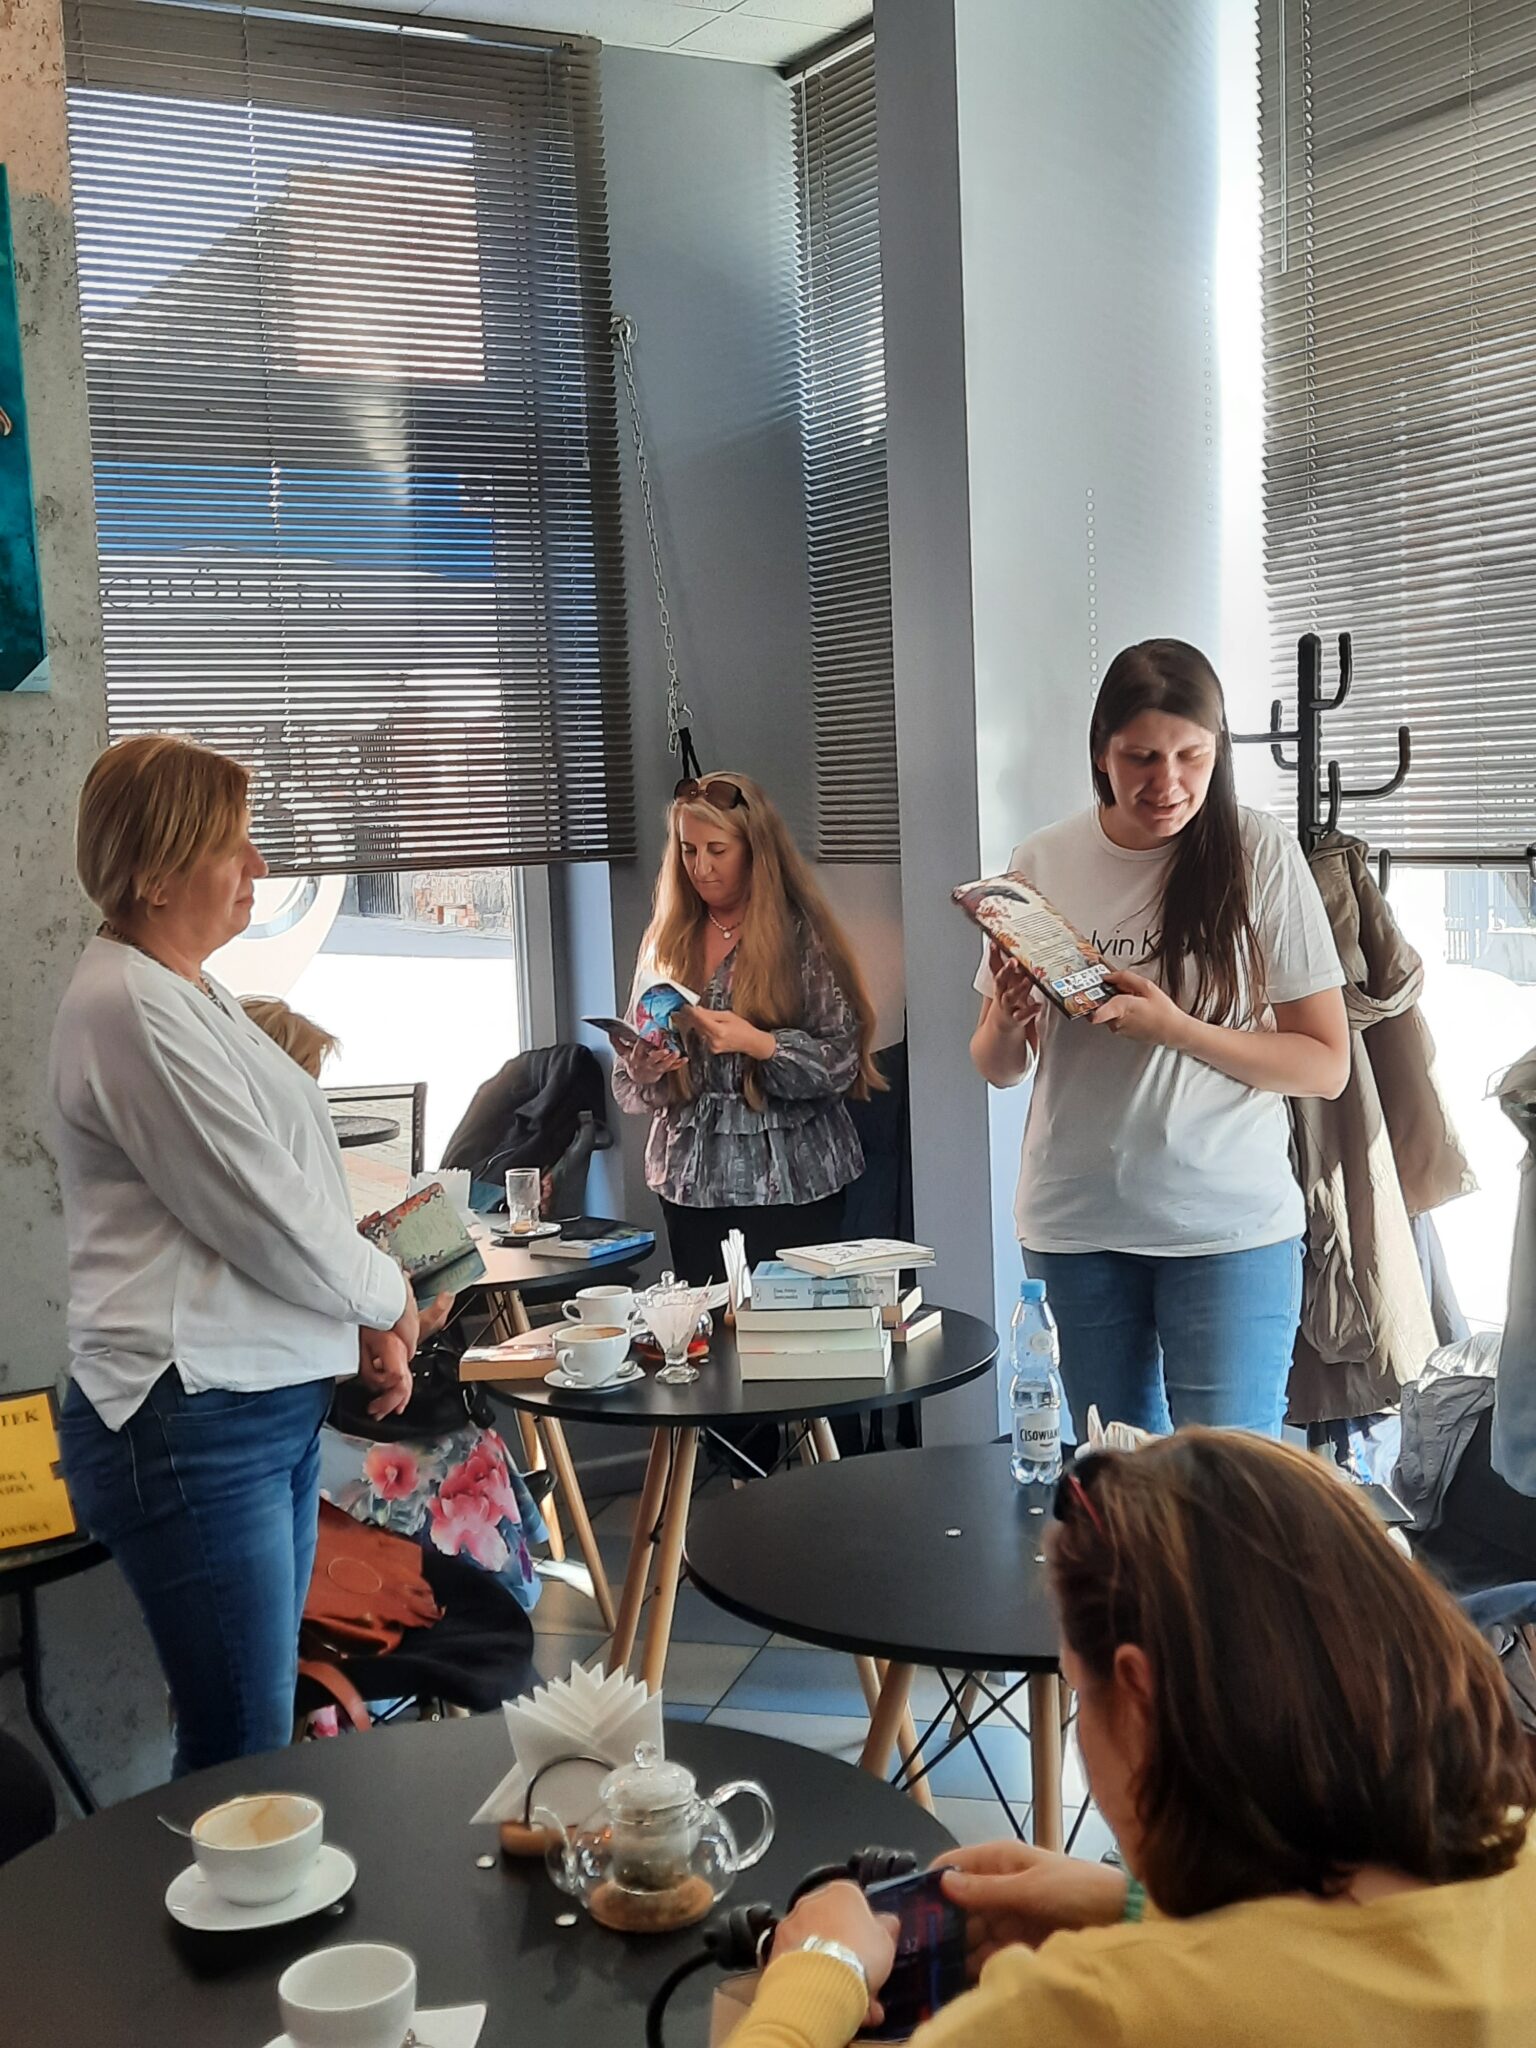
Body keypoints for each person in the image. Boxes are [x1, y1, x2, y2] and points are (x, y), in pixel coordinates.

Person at [734, 1430, 1536, 2048]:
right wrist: (1136, 1910)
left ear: (1139, 1697)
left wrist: (817, 1977)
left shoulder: (1093, 2012)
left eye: (1080, 1695)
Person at [49, 735, 447, 1775]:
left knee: (255, 1738)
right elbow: (264, 1213)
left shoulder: (184, 989)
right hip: (192, 1420)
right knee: (242, 1752)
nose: (258, 866)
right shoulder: (131, 1006)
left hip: (255, 1409)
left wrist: (357, 1318)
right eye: (231, 845)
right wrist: (387, 1294)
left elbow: (289, 1190)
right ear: (156, 873)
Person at [970, 639, 1349, 1435]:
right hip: (1076, 1227)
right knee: (1117, 1481)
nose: (1167, 783)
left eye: (1191, 756)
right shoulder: (1042, 859)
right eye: (1141, 757)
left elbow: (1324, 1064)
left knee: (1227, 1484)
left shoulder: (1259, 853)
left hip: (1229, 1231)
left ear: (1219, 751)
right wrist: (1006, 1015)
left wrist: (1176, 1030)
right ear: (1100, 754)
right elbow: (997, 1067)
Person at [241, 996, 547, 1616]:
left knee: (468, 1445)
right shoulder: (271, 1204)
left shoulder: (262, 1192)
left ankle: (461, 1610)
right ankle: (467, 1609)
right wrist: (400, 1328)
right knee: (464, 1455)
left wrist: (396, 1324)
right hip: (305, 1436)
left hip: (307, 1416)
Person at [610, 771, 883, 1283]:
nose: (701, 867)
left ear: (756, 851)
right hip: (691, 1182)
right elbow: (631, 1066)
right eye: (688, 851)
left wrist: (757, 1044)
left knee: (786, 1326)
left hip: (791, 1181)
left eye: (717, 850)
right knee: (706, 1326)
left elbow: (841, 1060)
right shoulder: (666, 938)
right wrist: (644, 1068)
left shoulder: (801, 937)